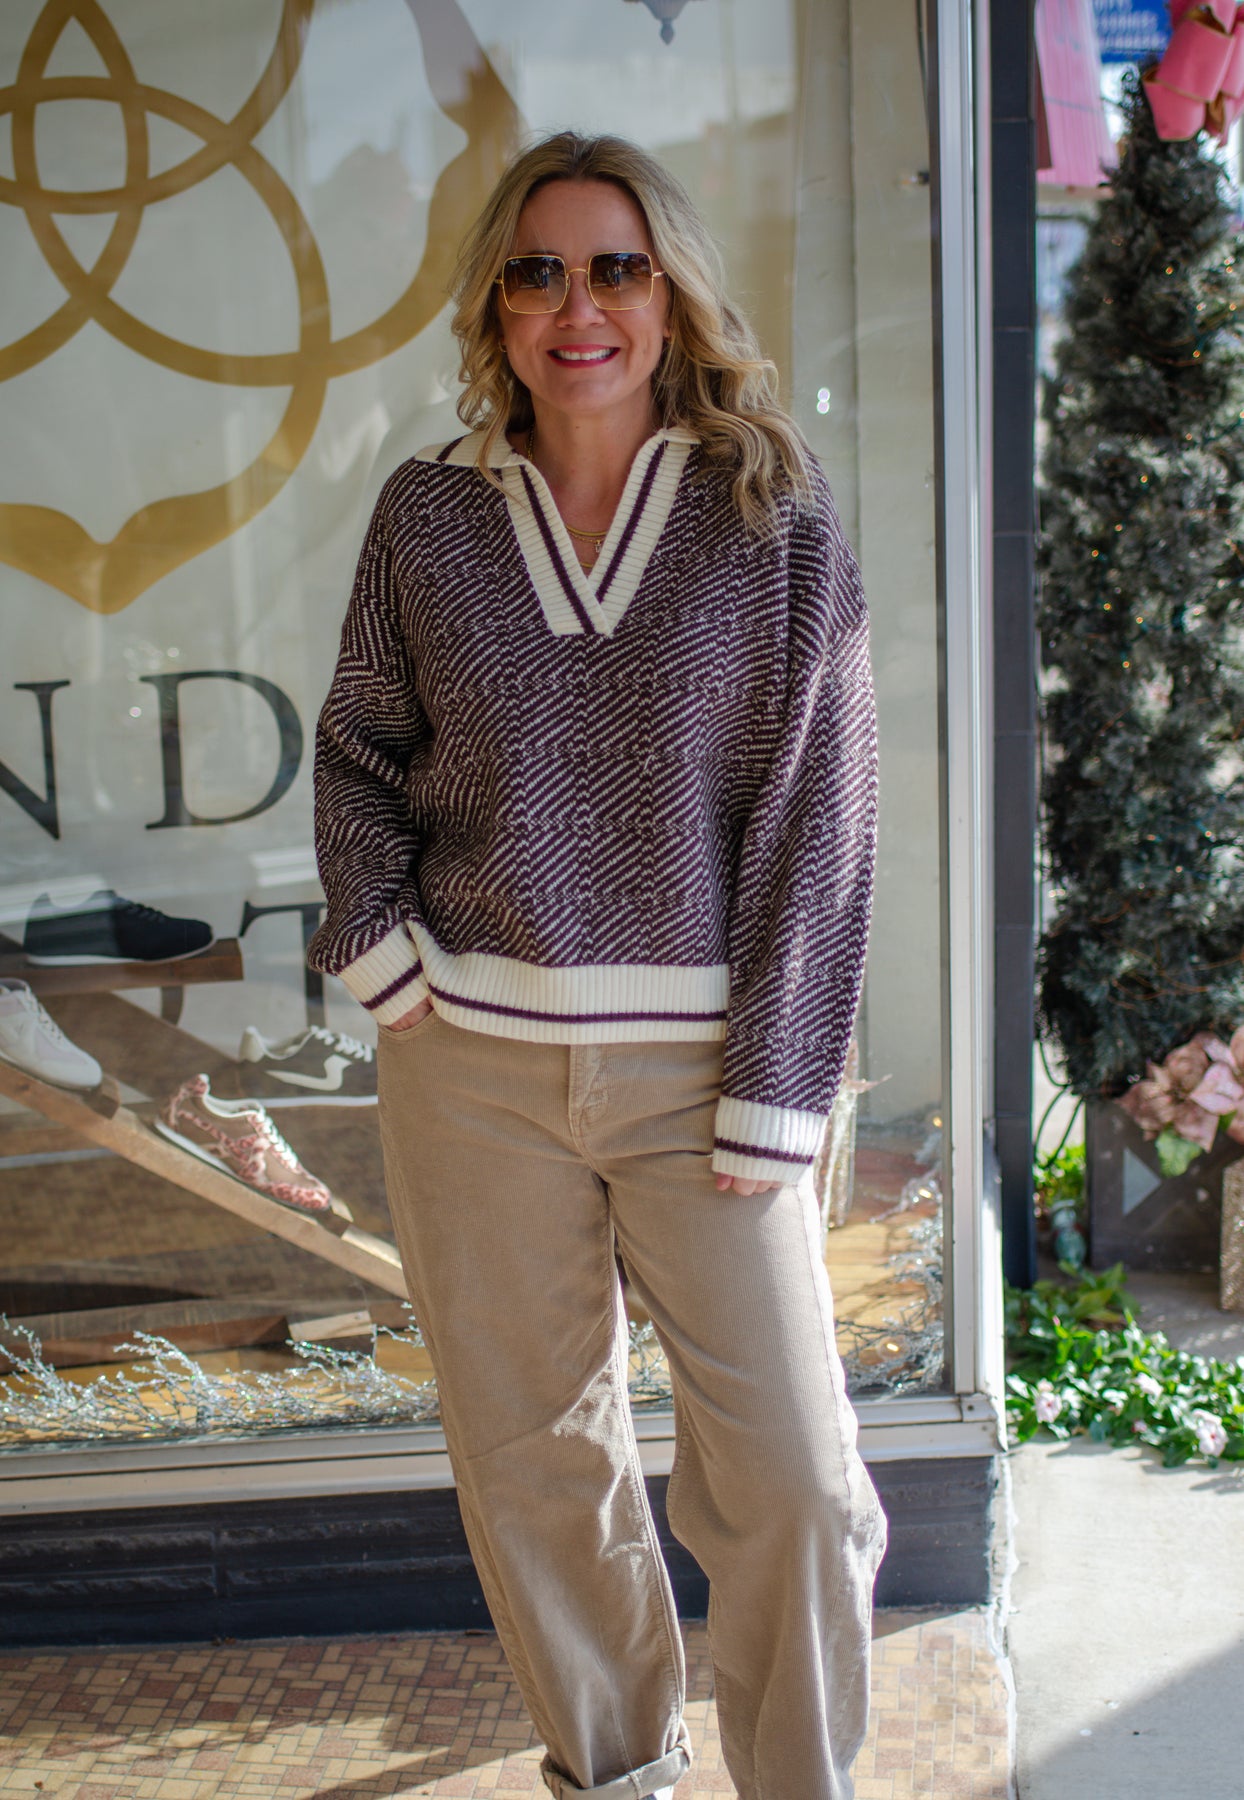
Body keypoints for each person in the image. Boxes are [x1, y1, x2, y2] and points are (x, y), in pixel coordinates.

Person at [309, 130, 887, 1800]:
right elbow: (358, 751)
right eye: (541, 272)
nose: (582, 307)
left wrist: (781, 1083)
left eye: (618, 267)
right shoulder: (429, 513)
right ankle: (618, 1776)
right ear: (497, 306)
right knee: (536, 1474)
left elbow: (824, 816)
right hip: (472, 1076)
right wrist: (385, 959)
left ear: (674, 292)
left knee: (791, 1480)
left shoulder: (768, 512)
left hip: (708, 1083)